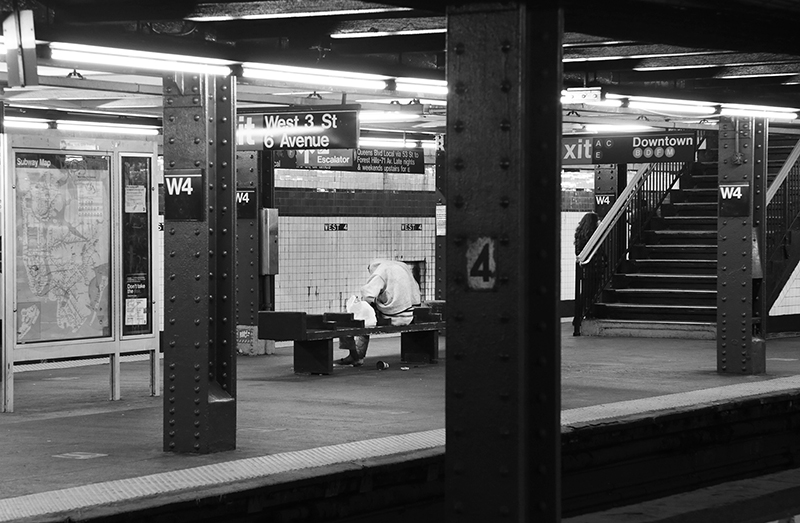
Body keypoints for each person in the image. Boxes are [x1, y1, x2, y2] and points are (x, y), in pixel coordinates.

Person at [336, 259, 422, 366]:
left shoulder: (380, 272)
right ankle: (357, 356)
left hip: (393, 317)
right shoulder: (402, 266)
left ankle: (356, 356)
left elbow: (368, 295)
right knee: (367, 316)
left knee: (356, 317)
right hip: (409, 315)